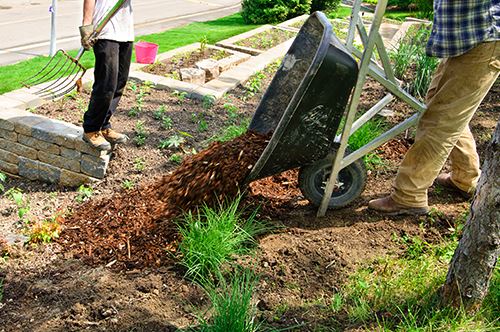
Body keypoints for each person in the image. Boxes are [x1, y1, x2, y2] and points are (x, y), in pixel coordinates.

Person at [369, 0, 499, 215]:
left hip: (483, 35)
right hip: (466, 37)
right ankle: (465, 178)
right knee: (442, 106)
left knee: (441, 119)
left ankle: (409, 195)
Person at [79, 0, 134, 151]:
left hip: (126, 30)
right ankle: (91, 129)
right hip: (105, 32)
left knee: (119, 82)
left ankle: (103, 125)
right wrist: (86, 24)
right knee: (106, 84)